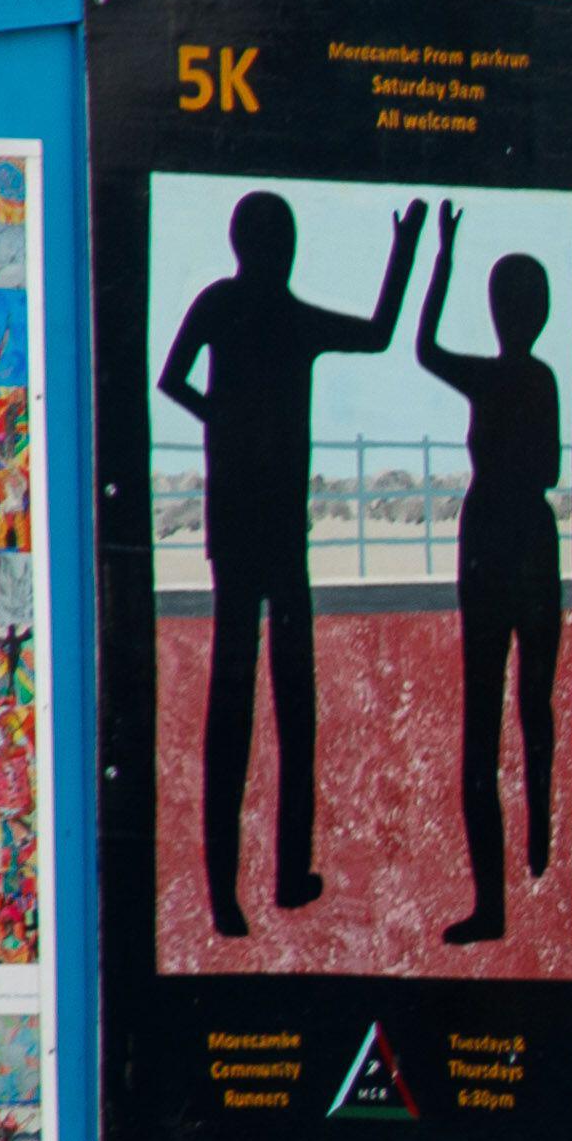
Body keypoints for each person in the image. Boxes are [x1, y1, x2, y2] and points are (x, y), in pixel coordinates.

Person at [161, 191, 424, 934]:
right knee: (287, 705)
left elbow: (173, 378)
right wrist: (403, 253)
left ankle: (236, 888)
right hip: (278, 530)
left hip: (239, 525)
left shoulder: (222, 303)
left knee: (235, 705)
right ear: (277, 245)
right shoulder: (286, 315)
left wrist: (222, 420)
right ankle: (277, 878)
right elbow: (376, 333)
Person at [406, 205, 566, 945]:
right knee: (533, 708)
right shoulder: (540, 378)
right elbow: (550, 467)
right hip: (531, 535)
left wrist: (440, 258)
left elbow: (424, 346)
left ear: (500, 311)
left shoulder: (495, 377)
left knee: (487, 720)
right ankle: (539, 844)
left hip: (492, 537)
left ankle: (502, 893)